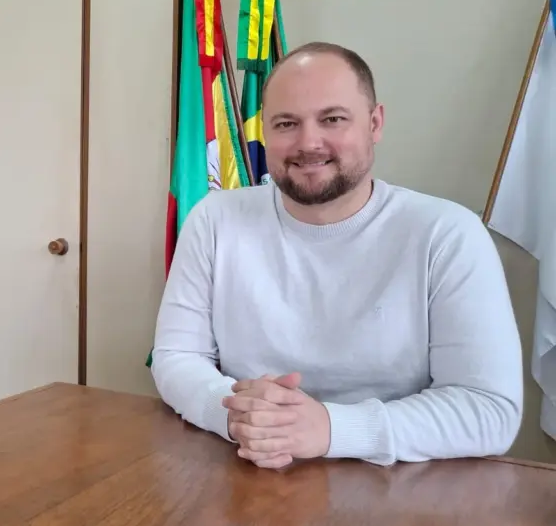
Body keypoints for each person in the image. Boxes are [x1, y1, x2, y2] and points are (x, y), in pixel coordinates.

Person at [151, 41, 523, 469]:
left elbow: (489, 409)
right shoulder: (215, 220)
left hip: (399, 487)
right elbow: (177, 357)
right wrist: (236, 416)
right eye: (286, 123)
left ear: (375, 122)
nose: (309, 142)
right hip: (248, 466)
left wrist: (329, 428)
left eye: (332, 119)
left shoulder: (448, 233)